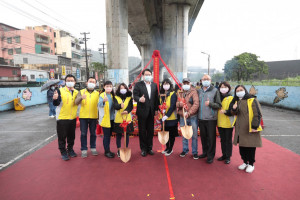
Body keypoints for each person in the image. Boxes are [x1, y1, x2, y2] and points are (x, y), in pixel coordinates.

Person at [230, 85, 263, 173]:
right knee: (242, 147)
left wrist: (254, 126)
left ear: (245, 90)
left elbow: (258, 114)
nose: (239, 91)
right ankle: (245, 162)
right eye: (237, 90)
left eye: (241, 90)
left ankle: (251, 164)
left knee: (250, 146)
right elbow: (235, 113)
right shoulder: (237, 101)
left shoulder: (252, 99)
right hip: (240, 128)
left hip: (249, 128)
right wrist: (234, 108)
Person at [133, 69, 159, 157]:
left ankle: (149, 148)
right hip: (142, 111)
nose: (148, 76)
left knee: (151, 131)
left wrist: (156, 109)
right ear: (143, 76)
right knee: (142, 131)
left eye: (149, 74)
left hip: (151, 112)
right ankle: (143, 149)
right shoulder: (138, 85)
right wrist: (140, 99)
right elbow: (135, 95)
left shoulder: (154, 85)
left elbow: (156, 98)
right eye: (146, 74)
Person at [53, 74, 79, 161]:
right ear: (65, 82)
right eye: (68, 80)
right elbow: (56, 103)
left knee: (71, 136)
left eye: (72, 80)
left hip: (72, 118)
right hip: (62, 118)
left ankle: (70, 149)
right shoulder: (60, 90)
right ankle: (63, 152)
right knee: (62, 137)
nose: (70, 82)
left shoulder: (76, 92)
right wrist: (55, 99)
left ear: (75, 82)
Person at [197, 74, 222, 164]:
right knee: (203, 137)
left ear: (211, 81)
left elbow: (219, 105)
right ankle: (205, 152)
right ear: (201, 81)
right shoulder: (199, 91)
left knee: (211, 138)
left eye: (207, 79)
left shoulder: (215, 91)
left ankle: (211, 155)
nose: (205, 80)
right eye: (204, 79)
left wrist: (210, 104)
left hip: (211, 119)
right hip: (201, 118)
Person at [75, 77, 100, 158]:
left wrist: (99, 117)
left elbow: (100, 105)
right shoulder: (81, 92)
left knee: (93, 133)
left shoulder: (97, 93)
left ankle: (93, 148)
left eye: (93, 82)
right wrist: (81, 98)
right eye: (90, 81)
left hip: (94, 116)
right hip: (83, 117)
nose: (91, 83)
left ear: (95, 84)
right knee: (83, 133)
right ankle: (84, 149)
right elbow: (76, 102)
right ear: (86, 82)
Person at [176, 78, 199, 160]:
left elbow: (196, 104)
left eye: (187, 83)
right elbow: (176, 104)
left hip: (192, 117)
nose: (185, 85)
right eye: (184, 83)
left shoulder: (194, 92)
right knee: (184, 134)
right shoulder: (180, 92)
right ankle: (185, 150)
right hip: (182, 117)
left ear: (190, 84)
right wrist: (179, 104)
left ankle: (195, 152)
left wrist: (188, 113)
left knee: (194, 135)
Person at [113, 83, 134, 157]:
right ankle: (119, 150)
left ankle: (126, 148)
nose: (123, 89)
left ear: (126, 89)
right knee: (118, 135)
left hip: (127, 119)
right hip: (119, 119)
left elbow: (131, 106)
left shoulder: (129, 97)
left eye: (124, 88)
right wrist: (119, 106)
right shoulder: (116, 97)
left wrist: (127, 111)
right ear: (119, 90)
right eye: (121, 88)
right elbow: (115, 106)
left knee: (127, 135)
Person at [159, 79, 178, 156]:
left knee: (171, 134)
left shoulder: (173, 94)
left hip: (171, 118)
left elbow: (173, 106)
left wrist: (167, 115)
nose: (165, 85)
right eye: (164, 84)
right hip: (163, 118)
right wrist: (161, 111)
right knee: (165, 133)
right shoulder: (161, 94)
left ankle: (170, 148)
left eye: (167, 84)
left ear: (170, 85)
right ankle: (167, 147)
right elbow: (159, 104)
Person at [217, 81, 234, 164]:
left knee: (228, 140)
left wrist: (226, 111)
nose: (223, 89)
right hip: (220, 122)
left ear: (228, 88)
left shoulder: (231, 98)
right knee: (222, 140)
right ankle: (224, 154)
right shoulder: (218, 97)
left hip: (228, 123)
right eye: (221, 87)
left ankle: (228, 157)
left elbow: (232, 110)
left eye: (225, 87)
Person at [98, 81, 116, 158]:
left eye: (110, 86)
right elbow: (99, 104)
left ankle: (108, 150)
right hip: (105, 119)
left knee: (109, 135)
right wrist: (103, 101)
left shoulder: (112, 95)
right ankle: (106, 151)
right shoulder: (102, 95)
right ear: (104, 87)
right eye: (107, 86)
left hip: (112, 118)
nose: (109, 87)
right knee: (106, 136)